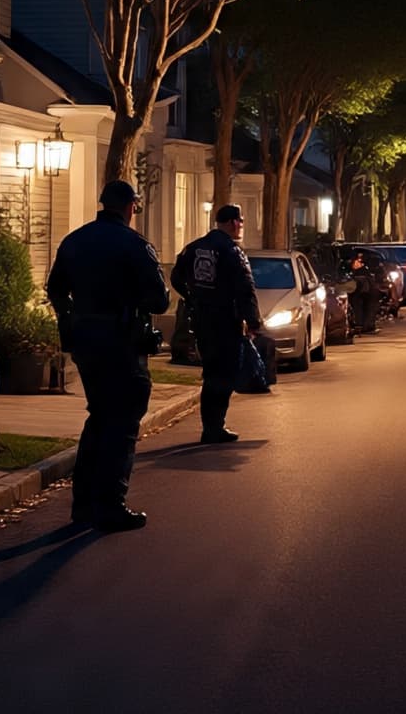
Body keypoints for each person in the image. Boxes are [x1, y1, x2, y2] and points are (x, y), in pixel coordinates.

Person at [47, 179, 170, 532]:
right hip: (122, 343)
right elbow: (159, 300)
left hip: (86, 342)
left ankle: (83, 505)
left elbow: (56, 289)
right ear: (131, 206)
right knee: (123, 424)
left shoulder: (74, 241)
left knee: (98, 418)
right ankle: (111, 504)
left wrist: (71, 319)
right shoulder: (135, 245)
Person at [171, 204, 272, 443]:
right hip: (227, 321)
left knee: (211, 372)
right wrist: (254, 322)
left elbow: (176, 277)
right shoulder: (231, 251)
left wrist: (192, 296)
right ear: (233, 222)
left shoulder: (194, 248)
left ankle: (211, 425)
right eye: (241, 221)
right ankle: (215, 426)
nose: (241, 226)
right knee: (225, 374)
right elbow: (245, 289)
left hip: (202, 321)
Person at [347, 251, 379, 334]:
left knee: (366, 308)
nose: (357, 264)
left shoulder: (365, 271)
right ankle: (361, 325)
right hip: (359, 293)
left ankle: (365, 325)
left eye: (359, 262)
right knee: (359, 308)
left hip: (365, 293)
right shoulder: (349, 271)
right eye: (356, 262)